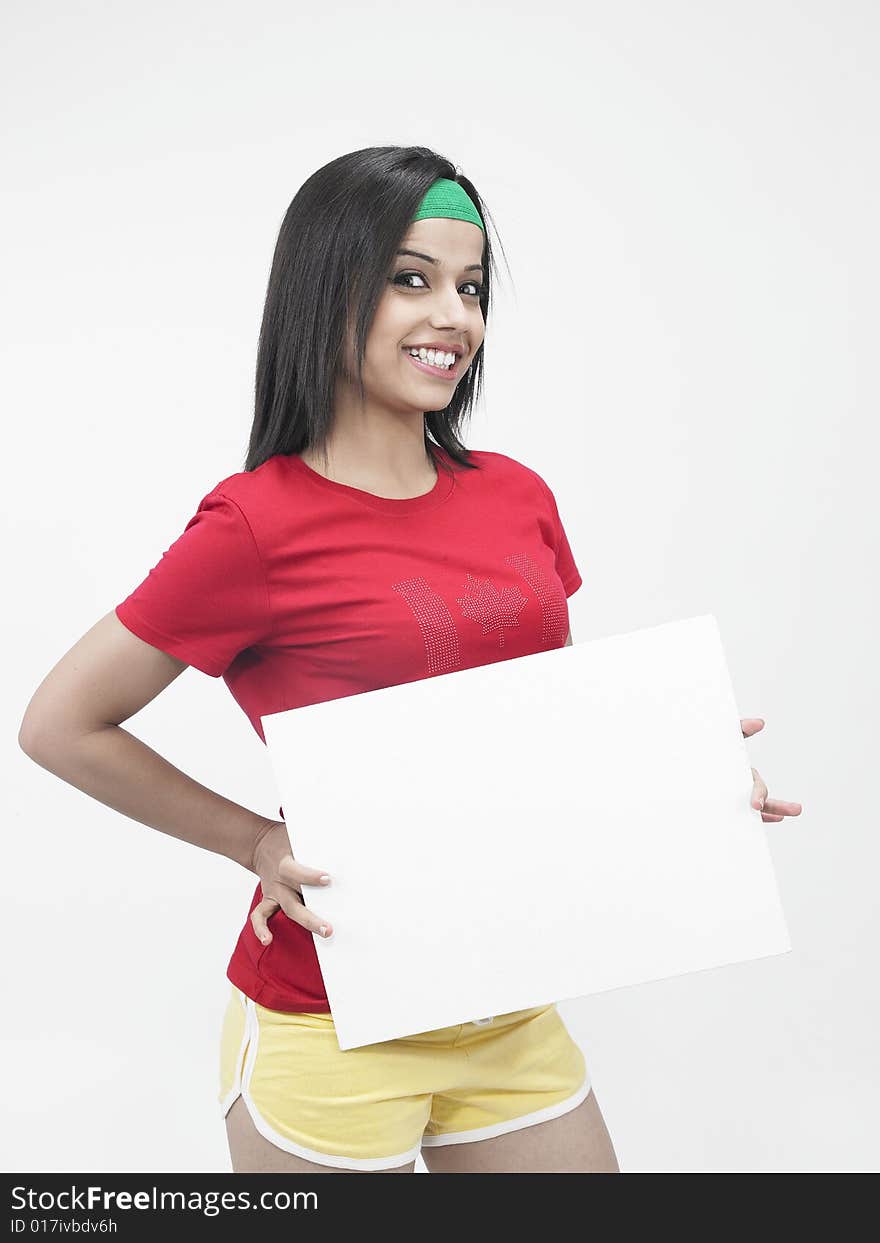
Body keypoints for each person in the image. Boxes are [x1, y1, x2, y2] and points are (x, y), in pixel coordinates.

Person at [19, 146, 802, 1175]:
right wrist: (254, 840)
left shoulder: (516, 494)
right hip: (330, 1020)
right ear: (326, 288)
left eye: (470, 288)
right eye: (410, 279)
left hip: (509, 1006)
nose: (453, 317)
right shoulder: (253, 523)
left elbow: (535, 725)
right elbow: (59, 724)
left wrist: (679, 779)